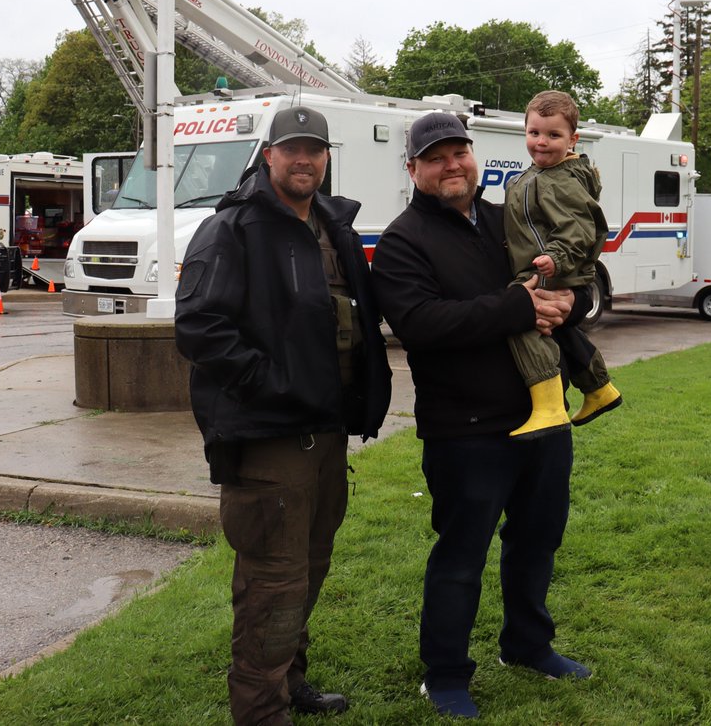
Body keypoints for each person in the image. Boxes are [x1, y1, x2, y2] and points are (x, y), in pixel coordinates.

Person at [175, 105, 392, 726]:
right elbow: (199, 326)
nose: (304, 160)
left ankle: (290, 680)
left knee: (310, 565)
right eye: (291, 149)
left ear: (327, 158)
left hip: (325, 432)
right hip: (266, 437)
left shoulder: (334, 228)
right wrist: (272, 386)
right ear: (267, 155)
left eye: (315, 150)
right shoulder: (232, 230)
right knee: (273, 580)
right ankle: (261, 711)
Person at [371, 111, 592, 719]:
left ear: (474, 157)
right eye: (435, 156)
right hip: (466, 430)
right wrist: (519, 306)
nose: (451, 165)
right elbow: (422, 325)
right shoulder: (401, 241)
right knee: (461, 554)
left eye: (459, 153)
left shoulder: (510, 217)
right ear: (412, 168)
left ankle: (528, 646)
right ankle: (445, 674)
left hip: (543, 419)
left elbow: (578, 273)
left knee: (536, 541)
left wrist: (575, 301)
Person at [504, 90, 621, 439]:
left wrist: (555, 259)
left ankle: (550, 406)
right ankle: (599, 389)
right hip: (545, 266)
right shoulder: (538, 174)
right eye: (534, 133)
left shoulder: (562, 181)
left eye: (553, 135)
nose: (541, 142)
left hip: (550, 268)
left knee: (523, 320)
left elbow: (580, 229)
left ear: (573, 139)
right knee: (562, 328)